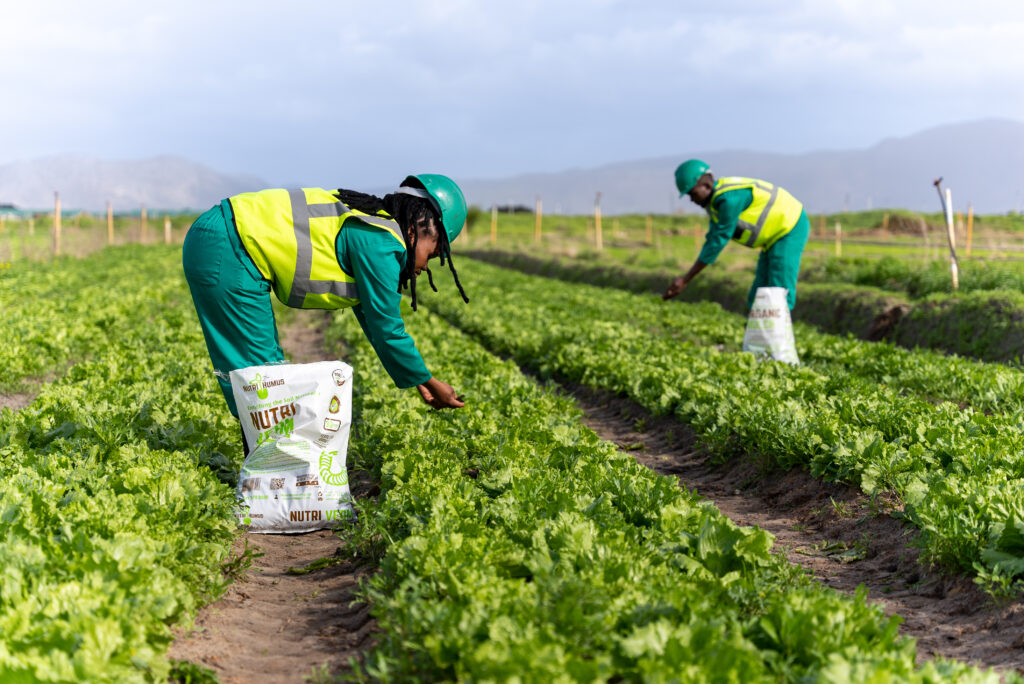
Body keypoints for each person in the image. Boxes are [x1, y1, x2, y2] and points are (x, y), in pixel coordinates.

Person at [182, 174, 470, 445]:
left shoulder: (373, 227)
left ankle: (269, 480)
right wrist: (432, 382)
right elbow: (387, 329)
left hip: (224, 237)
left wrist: (418, 379)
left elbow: (373, 320)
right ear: (417, 226)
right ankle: (272, 485)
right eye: (432, 253)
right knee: (263, 384)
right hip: (230, 244)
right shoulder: (381, 243)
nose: (424, 267)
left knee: (260, 383)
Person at [662, 159, 810, 311]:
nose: (692, 200)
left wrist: (686, 279)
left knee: (779, 289)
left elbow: (718, 241)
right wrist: (685, 279)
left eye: (693, 194)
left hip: (789, 227)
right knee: (758, 294)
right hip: (772, 240)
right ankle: (756, 332)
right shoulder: (714, 206)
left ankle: (779, 333)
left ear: (706, 186)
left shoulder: (729, 199)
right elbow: (712, 239)